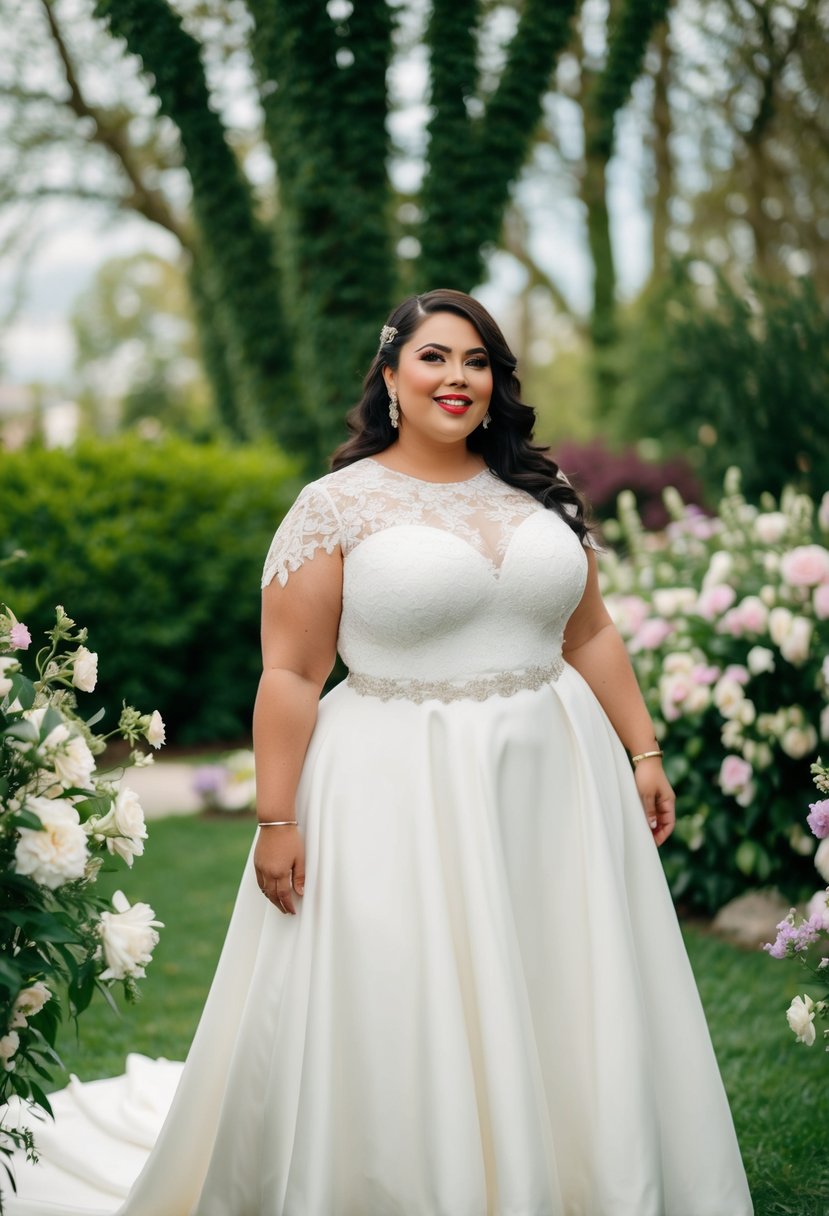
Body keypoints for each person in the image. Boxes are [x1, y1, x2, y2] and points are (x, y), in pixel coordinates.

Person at [5, 289, 753, 1215]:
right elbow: (290, 672)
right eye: (434, 357)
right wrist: (275, 816)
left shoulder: (540, 496)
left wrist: (640, 749)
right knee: (416, 998)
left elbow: (589, 631)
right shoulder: (336, 507)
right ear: (391, 376)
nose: (458, 377)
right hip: (401, 790)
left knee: (566, 988)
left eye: (477, 361)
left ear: (496, 383)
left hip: (557, 783)